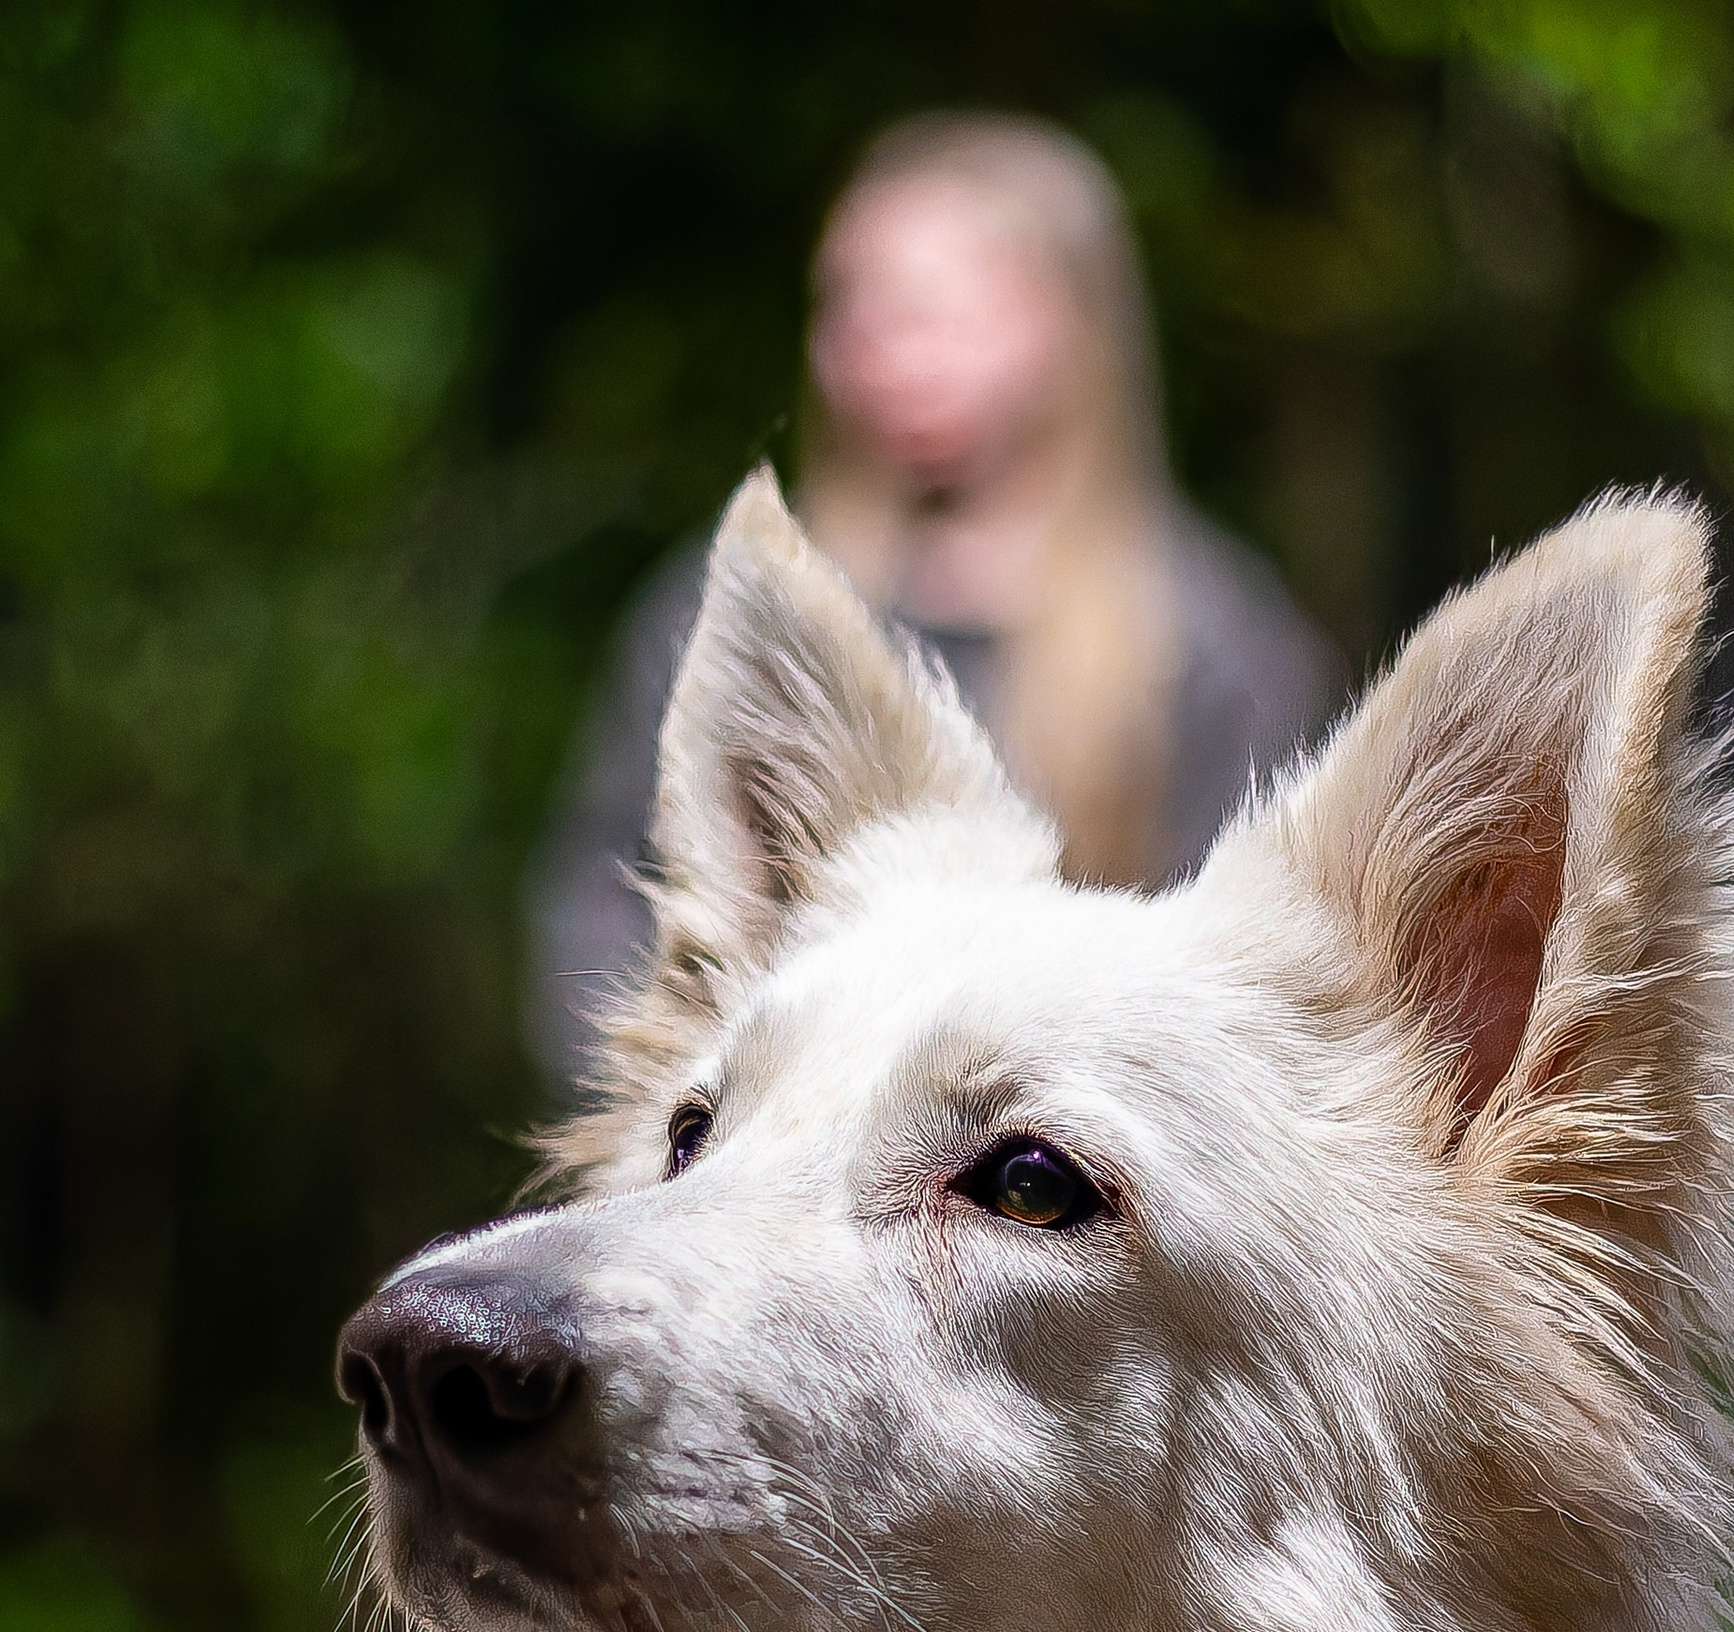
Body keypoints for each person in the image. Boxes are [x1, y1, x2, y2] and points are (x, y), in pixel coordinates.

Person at [528, 111, 1342, 1091]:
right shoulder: (744, 613)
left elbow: (1277, 973)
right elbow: (598, 910)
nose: (874, 348)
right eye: (848, 307)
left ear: (1070, 328)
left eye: (930, 310)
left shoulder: (1212, 639)